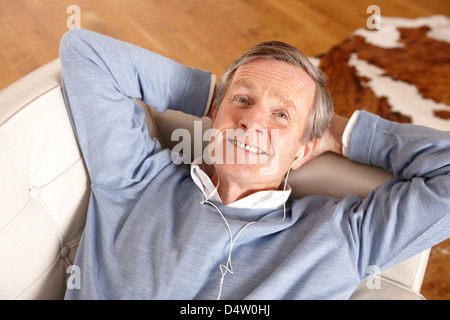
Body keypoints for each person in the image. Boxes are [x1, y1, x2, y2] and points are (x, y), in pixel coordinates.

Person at [60, 28, 449, 300]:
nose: (252, 122)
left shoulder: (343, 236)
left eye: (282, 115)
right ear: (213, 113)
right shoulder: (135, 180)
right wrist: (214, 97)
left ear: (302, 150)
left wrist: (346, 133)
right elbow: (84, 52)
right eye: (243, 101)